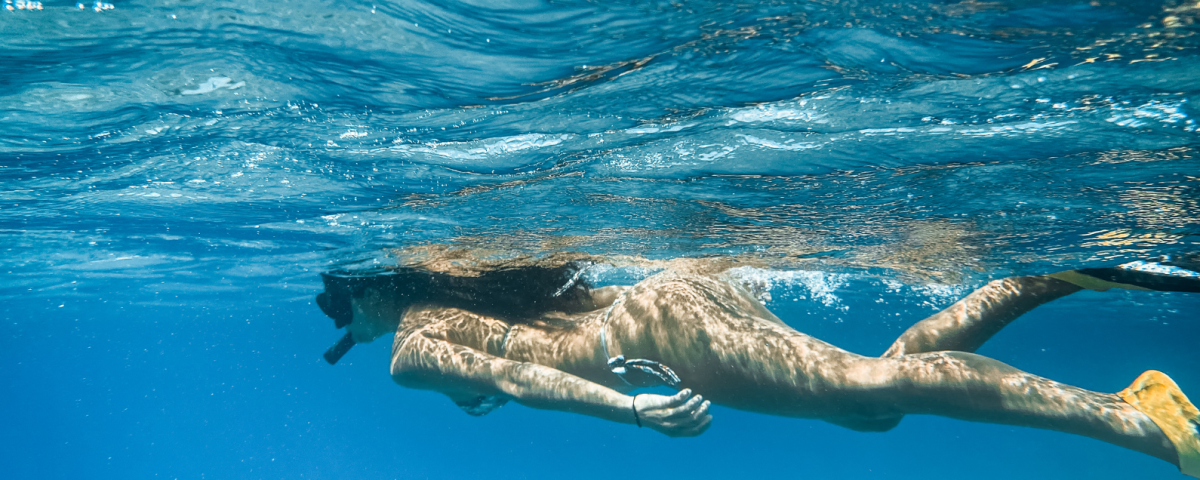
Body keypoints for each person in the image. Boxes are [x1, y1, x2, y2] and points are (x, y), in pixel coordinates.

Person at [316, 258, 1200, 477]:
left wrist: (625, 412)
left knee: (866, 388)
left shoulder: (408, 350)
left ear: (367, 295)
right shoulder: (483, 295)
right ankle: (1040, 279)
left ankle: (1131, 419)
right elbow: (511, 369)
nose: (340, 325)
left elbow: (518, 381)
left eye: (334, 306)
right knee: (867, 401)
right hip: (677, 296)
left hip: (662, 332)